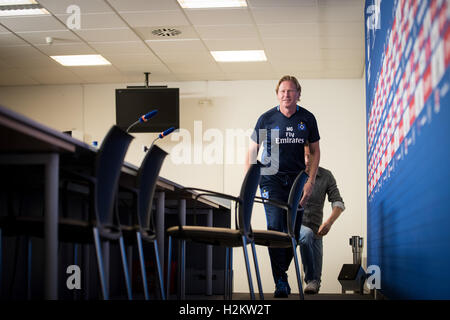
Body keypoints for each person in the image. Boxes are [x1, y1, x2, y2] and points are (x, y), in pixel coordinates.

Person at [245, 75, 321, 298]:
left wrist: (311, 181)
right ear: (277, 94)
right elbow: (252, 150)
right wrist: (250, 181)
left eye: (290, 91)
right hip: (271, 179)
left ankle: (282, 272)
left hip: (298, 180)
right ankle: (280, 280)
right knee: (276, 227)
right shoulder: (266, 118)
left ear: (298, 93)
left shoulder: (307, 118)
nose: (286, 95)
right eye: (282, 91)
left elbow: (315, 151)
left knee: (294, 233)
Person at [299, 144, 345, 294]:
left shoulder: (326, 176)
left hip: (316, 230)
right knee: (305, 235)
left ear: (316, 156)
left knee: (315, 283)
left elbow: (338, 202)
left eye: (309, 156)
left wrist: (329, 222)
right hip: (295, 226)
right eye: (303, 156)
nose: (306, 160)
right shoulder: (293, 175)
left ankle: (313, 281)